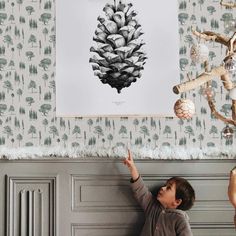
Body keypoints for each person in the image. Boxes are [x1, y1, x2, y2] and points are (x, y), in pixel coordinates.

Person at [123, 150, 195, 236]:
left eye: (168, 188)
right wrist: (132, 168)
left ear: (177, 201)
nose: (163, 188)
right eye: (165, 185)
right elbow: (141, 191)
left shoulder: (179, 219)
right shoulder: (153, 208)